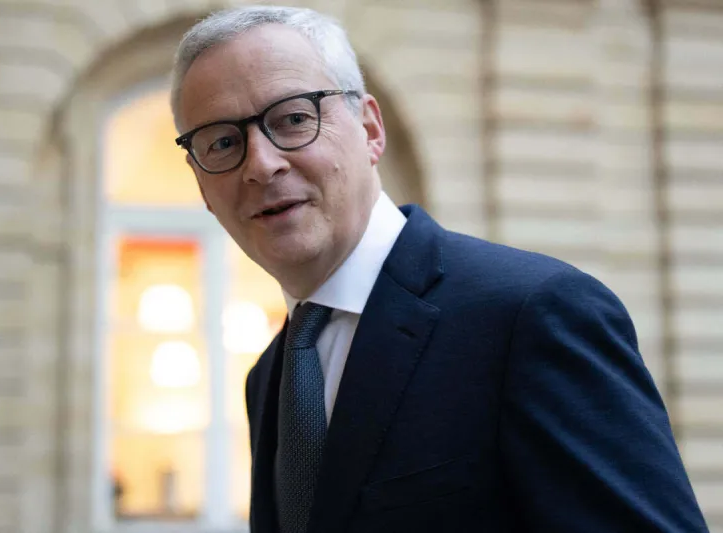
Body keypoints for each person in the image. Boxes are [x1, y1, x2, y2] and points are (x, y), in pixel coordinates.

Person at [170, 6, 708, 533]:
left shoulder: (531, 315)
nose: (261, 164)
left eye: (293, 118)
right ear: (202, 190)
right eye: (222, 142)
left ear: (370, 129)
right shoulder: (269, 376)